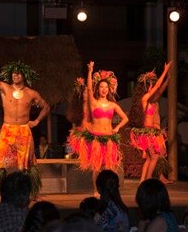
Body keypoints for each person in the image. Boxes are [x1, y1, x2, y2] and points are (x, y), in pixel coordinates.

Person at [0, 41, 50, 198]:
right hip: (7, 129)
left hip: (24, 130)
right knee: (2, 164)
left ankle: (27, 193)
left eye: (18, 73)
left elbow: (46, 107)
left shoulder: (32, 93)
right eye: (13, 73)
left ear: (24, 75)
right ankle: (1, 193)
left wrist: (37, 120)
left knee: (25, 166)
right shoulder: (5, 88)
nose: (15, 75)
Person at [73, 61, 128, 190]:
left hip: (109, 138)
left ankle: (109, 190)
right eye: (101, 87)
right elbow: (89, 88)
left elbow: (125, 118)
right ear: (98, 89)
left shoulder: (113, 105)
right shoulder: (94, 103)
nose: (104, 89)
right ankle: (96, 191)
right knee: (97, 168)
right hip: (96, 138)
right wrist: (90, 71)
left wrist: (117, 127)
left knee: (109, 168)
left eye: (106, 87)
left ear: (109, 89)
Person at [128, 61, 172, 184]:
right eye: (150, 84)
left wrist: (167, 80)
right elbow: (158, 86)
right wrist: (165, 70)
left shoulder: (148, 100)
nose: (153, 86)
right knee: (155, 156)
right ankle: (147, 180)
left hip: (149, 132)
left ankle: (142, 180)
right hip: (148, 133)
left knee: (149, 158)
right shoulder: (145, 98)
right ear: (146, 87)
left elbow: (159, 89)